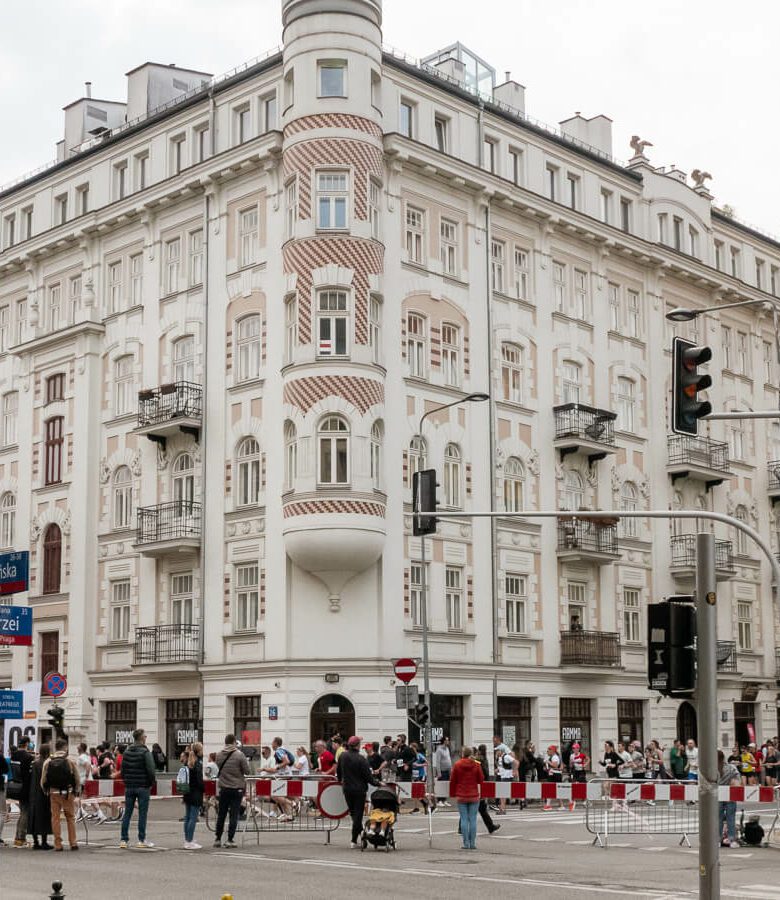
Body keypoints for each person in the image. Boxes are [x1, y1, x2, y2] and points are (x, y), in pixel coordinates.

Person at [119, 728, 156, 849]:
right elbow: (151, 770)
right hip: (143, 786)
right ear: (141, 738)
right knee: (142, 814)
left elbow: (123, 770)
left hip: (129, 786)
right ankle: (141, 839)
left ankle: (123, 840)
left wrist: (127, 781)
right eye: (145, 736)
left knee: (127, 813)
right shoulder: (145, 752)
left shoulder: (127, 752)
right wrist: (151, 783)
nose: (146, 738)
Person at [337, 735, 376, 848]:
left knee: (354, 814)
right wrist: (377, 783)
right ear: (357, 746)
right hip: (359, 790)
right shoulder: (361, 759)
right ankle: (354, 840)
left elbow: (339, 771)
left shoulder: (343, 756)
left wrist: (340, 781)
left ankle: (360, 834)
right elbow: (368, 777)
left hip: (347, 789)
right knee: (358, 815)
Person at [41, 738, 80, 851]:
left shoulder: (48, 761)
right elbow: (77, 777)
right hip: (68, 792)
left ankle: (58, 843)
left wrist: (46, 791)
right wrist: (76, 790)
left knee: (55, 818)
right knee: (70, 817)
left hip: (54, 792)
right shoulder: (70, 760)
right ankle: (73, 842)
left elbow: (43, 780)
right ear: (65, 747)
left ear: (55, 748)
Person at [214, 734, 249, 848]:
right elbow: (247, 771)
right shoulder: (240, 755)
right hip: (236, 788)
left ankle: (218, 839)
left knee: (221, 814)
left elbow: (219, 768)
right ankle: (230, 839)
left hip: (223, 788)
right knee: (234, 814)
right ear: (234, 742)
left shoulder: (218, 755)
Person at [449, 746, 484, 850]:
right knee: (473, 819)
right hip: (473, 795)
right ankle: (472, 843)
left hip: (461, 795)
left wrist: (452, 794)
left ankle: (466, 843)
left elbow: (453, 780)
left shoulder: (457, 764)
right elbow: (481, 779)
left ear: (462, 754)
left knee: (464, 819)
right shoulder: (476, 764)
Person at [11, 736, 35, 847]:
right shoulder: (28, 757)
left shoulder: (14, 755)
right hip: (26, 787)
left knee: (22, 812)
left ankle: (17, 836)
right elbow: (30, 773)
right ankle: (21, 837)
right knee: (25, 812)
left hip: (15, 786)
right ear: (27, 744)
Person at [29, 744, 53, 850]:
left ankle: (35, 842)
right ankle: (44, 842)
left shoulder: (34, 763)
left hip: (33, 792)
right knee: (44, 816)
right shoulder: (47, 763)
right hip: (44, 792)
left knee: (34, 817)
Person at [182, 742, 204, 850]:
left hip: (187, 792)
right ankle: (190, 841)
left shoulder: (187, 763)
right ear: (199, 751)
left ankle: (187, 839)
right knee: (193, 818)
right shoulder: (198, 764)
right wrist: (204, 789)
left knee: (187, 817)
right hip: (195, 793)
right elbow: (199, 781)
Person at [717, 749, 741, 848]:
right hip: (730, 795)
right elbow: (737, 779)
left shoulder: (712, 769)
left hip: (717, 795)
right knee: (731, 818)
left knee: (718, 818)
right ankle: (732, 840)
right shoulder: (731, 767)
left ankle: (717, 840)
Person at [542, 744, 565, 811]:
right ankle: (559, 805)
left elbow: (555, 765)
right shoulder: (552, 756)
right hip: (553, 774)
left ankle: (548, 805)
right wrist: (546, 768)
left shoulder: (555, 757)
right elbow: (552, 766)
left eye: (549, 750)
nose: (547, 751)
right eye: (547, 750)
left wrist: (547, 761)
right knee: (553, 790)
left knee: (553, 790)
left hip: (555, 775)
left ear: (553, 751)